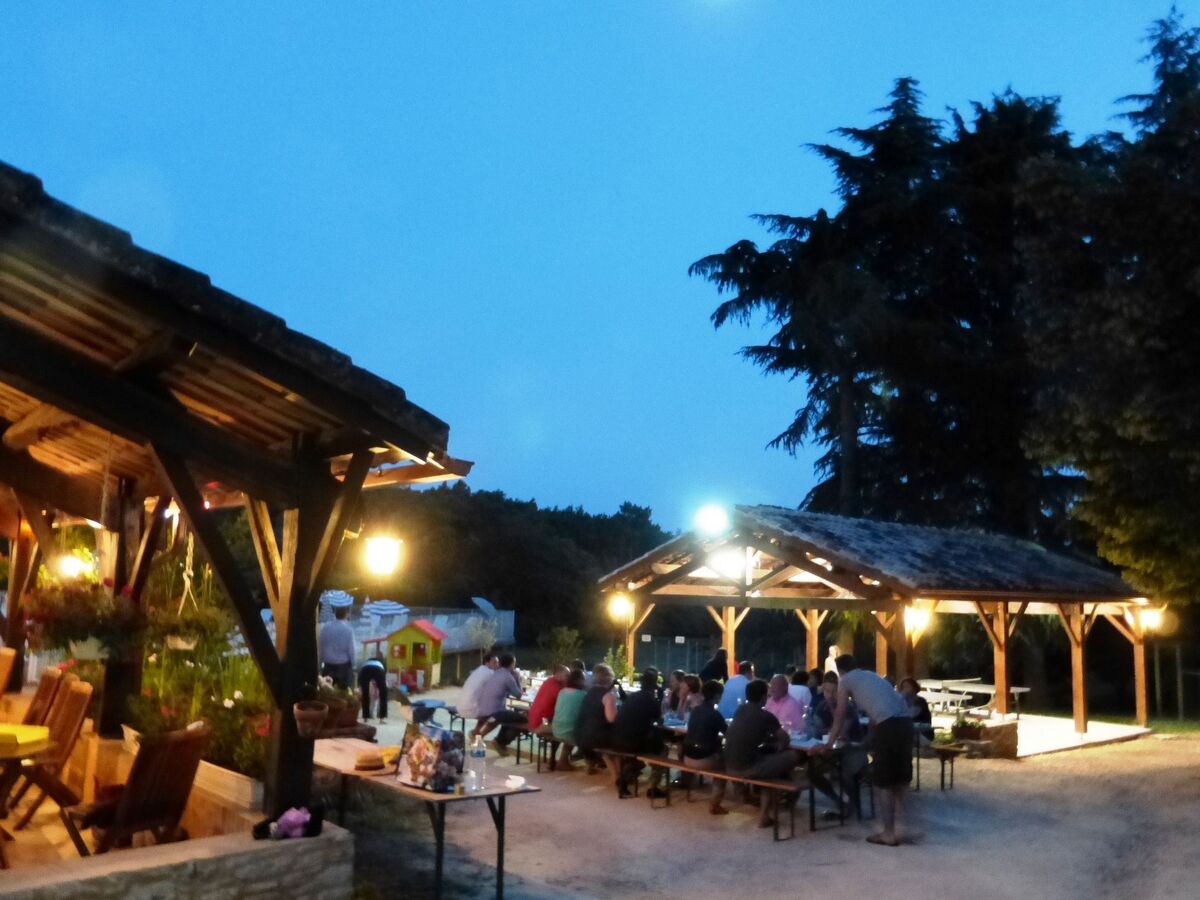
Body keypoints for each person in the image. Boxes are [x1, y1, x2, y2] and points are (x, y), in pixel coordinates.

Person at [824, 655, 914, 846]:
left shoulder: (846, 680)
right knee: (899, 777)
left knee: (883, 781)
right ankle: (904, 824)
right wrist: (868, 740)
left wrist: (829, 743)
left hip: (889, 725)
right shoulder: (871, 676)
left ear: (840, 671)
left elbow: (840, 713)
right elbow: (876, 712)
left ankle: (889, 833)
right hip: (906, 724)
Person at [724, 678, 795, 827]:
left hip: (728, 764)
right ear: (763, 697)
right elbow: (785, 738)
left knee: (769, 762)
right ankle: (765, 815)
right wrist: (779, 747)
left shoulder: (740, 710)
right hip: (746, 767)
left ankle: (752, 797)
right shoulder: (765, 716)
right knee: (791, 757)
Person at [611, 669, 667, 799]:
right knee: (663, 750)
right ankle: (653, 787)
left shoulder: (632, 697)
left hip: (617, 739)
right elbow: (659, 719)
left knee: (637, 755)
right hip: (634, 742)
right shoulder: (651, 699)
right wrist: (659, 698)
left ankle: (624, 781)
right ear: (654, 685)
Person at [682, 679, 729, 814]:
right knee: (724, 768)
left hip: (687, 757)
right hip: (703, 760)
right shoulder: (715, 714)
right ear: (717, 696)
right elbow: (728, 734)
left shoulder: (695, 711)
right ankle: (715, 804)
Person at [474, 653, 526, 755]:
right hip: (494, 712)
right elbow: (519, 695)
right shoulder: (508, 677)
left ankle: (496, 741)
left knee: (508, 715)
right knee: (523, 719)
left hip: (482, 708)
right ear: (512, 664)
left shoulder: (494, 673)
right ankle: (500, 741)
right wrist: (518, 678)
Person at [575, 663, 618, 773]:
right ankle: (617, 775)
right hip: (596, 738)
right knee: (621, 740)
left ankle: (590, 765)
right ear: (610, 678)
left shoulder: (588, 693)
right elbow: (612, 719)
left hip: (580, 735)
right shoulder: (608, 696)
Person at [551, 669, 588, 769]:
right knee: (582, 731)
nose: (586, 681)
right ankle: (589, 762)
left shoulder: (562, 691)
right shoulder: (583, 695)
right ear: (579, 680)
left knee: (570, 726)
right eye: (584, 679)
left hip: (556, 728)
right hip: (570, 731)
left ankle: (562, 761)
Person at [318, 605, 355, 689]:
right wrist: (354, 666)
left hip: (328, 666)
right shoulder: (348, 629)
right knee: (343, 693)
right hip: (343, 667)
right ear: (346, 614)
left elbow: (321, 647)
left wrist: (319, 665)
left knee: (326, 693)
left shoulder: (325, 628)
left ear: (335, 613)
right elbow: (351, 650)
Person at [457, 651, 499, 720]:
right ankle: (481, 727)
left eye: (498, 662)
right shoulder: (490, 673)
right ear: (487, 663)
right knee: (496, 717)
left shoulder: (479, 669)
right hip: (470, 709)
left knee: (489, 712)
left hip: (461, 707)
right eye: (494, 662)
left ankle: (479, 727)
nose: (497, 665)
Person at [528, 665, 568, 732]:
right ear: (559, 674)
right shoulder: (557, 688)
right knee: (564, 730)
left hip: (533, 719)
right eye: (567, 675)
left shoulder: (548, 681)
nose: (568, 678)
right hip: (542, 723)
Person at [898, 677, 934, 742]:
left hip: (923, 734)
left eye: (908, 686)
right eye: (903, 687)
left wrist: (902, 698)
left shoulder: (920, 701)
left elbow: (910, 715)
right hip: (910, 732)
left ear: (914, 688)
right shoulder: (903, 701)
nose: (905, 689)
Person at [358, 655, 388, 722]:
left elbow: (360, 678)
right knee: (383, 694)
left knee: (365, 694)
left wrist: (360, 686)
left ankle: (365, 717)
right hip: (378, 670)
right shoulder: (380, 664)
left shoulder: (366, 663)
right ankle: (382, 718)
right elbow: (383, 676)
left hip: (365, 670)